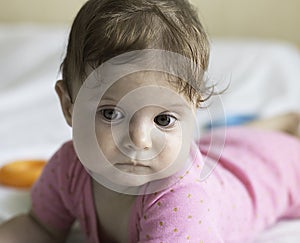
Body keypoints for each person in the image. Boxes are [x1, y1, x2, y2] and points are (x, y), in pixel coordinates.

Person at [1, 0, 300, 242]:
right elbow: (38, 227)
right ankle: (278, 124)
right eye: (111, 113)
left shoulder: (181, 202)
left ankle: (285, 127)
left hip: (281, 168)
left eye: (164, 119)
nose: (140, 140)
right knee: (224, 147)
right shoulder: (69, 170)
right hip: (224, 153)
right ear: (69, 105)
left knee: (257, 152)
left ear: (192, 111)